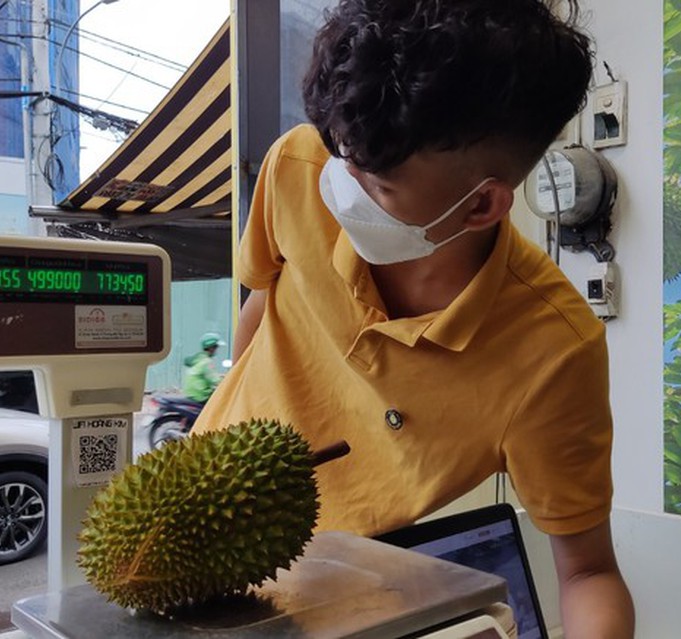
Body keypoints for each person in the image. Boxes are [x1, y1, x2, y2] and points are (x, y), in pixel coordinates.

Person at [192, 0, 635, 634]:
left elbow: (589, 572)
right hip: (189, 517)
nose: (340, 182)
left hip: (339, 604)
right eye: (340, 151)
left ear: (482, 204)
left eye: (377, 184)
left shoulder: (552, 350)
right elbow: (260, 313)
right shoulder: (298, 164)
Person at [182, 332, 224, 404]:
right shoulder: (206, 362)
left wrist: (222, 376)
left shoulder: (199, 358)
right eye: (216, 347)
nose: (216, 349)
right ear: (211, 347)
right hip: (201, 395)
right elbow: (215, 380)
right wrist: (226, 382)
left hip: (192, 393)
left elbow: (208, 375)